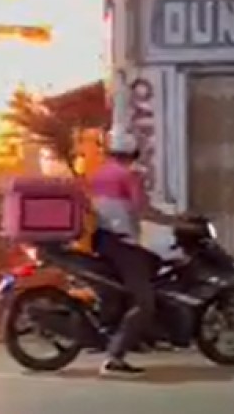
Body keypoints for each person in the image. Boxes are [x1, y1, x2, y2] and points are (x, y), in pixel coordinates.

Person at [88, 130, 183, 378]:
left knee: (152, 264)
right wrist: (178, 222)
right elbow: (144, 211)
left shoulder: (100, 173)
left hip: (103, 240)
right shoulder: (129, 174)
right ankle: (114, 357)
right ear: (134, 153)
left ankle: (136, 335)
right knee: (144, 302)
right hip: (122, 244)